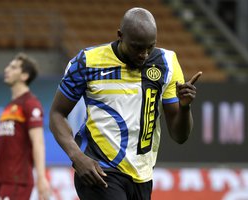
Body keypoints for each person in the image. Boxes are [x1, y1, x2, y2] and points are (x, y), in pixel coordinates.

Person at [49, 7, 202, 200]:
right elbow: (57, 114)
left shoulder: (167, 63)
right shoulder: (87, 62)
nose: (144, 54)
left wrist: (185, 107)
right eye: (137, 47)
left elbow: (180, 136)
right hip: (100, 170)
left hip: (142, 175)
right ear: (120, 36)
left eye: (150, 47)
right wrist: (77, 157)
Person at [0, 53, 51, 200]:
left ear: (24, 76)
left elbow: (38, 143)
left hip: (17, 181)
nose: (7, 69)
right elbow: (9, 144)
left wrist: (41, 177)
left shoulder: (31, 104)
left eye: (13, 67)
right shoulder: (10, 107)